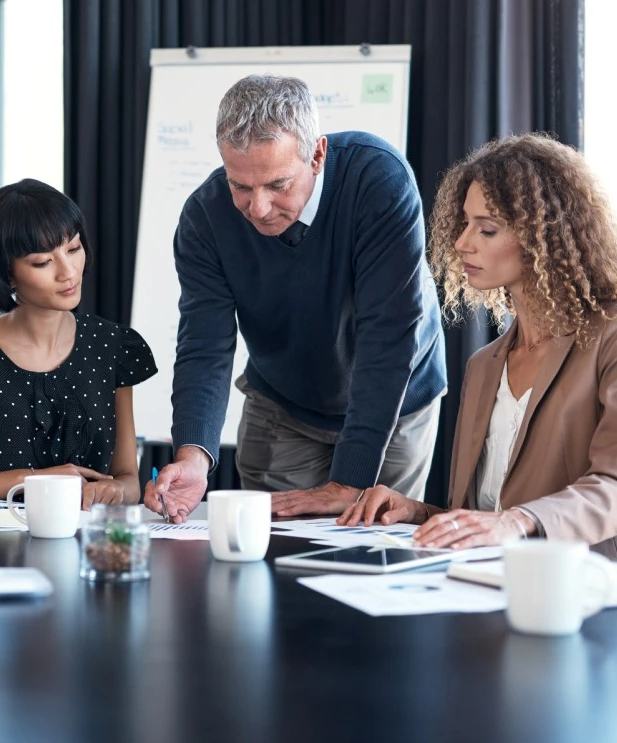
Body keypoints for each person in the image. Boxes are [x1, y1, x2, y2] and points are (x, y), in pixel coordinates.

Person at [339, 133, 617, 560]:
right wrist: (415, 512)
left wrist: (515, 521)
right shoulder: (484, 365)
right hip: (489, 584)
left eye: (486, 229)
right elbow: (481, 516)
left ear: (543, 235)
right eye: (465, 223)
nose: (462, 242)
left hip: (589, 587)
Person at [146, 74, 446, 523]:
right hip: (282, 404)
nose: (258, 208)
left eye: (278, 185)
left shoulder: (378, 181)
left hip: (394, 402)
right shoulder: (205, 217)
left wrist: (350, 480)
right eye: (240, 187)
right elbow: (204, 346)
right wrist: (193, 456)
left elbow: (389, 337)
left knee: (373, 553)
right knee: (273, 557)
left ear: (318, 155)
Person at [0, 178, 158, 508]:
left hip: (85, 546)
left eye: (74, 249)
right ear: (6, 274)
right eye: (43, 262)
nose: (68, 272)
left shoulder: (112, 347)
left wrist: (117, 491)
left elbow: (127, 479)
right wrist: (27, 480)